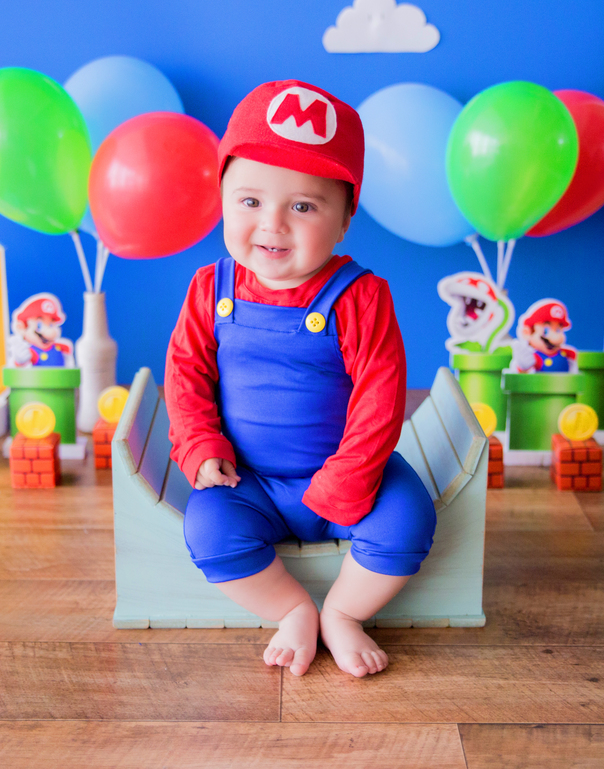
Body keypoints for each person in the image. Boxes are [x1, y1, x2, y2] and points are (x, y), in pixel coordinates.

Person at [165, 80, 436, 679]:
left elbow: (380, 395)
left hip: (348, 477)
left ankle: (343, 611)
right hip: (249, 478)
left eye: (304, 206)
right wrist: (199, 446)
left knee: (408, 517)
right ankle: (290, 608)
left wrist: (353, 478)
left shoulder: (361, 296)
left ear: (344, 220)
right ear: (223, 198)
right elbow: (186, 374)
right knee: (208, 527)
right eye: (251, 201)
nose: (274, 225)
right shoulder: (211, 289)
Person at [510, 298, 577, 373]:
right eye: (545, 331)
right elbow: (522, 376)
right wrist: (522, 368)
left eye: (558, 330)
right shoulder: (536, 358)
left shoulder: (567, 354)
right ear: (527, 332)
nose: (556, 338)